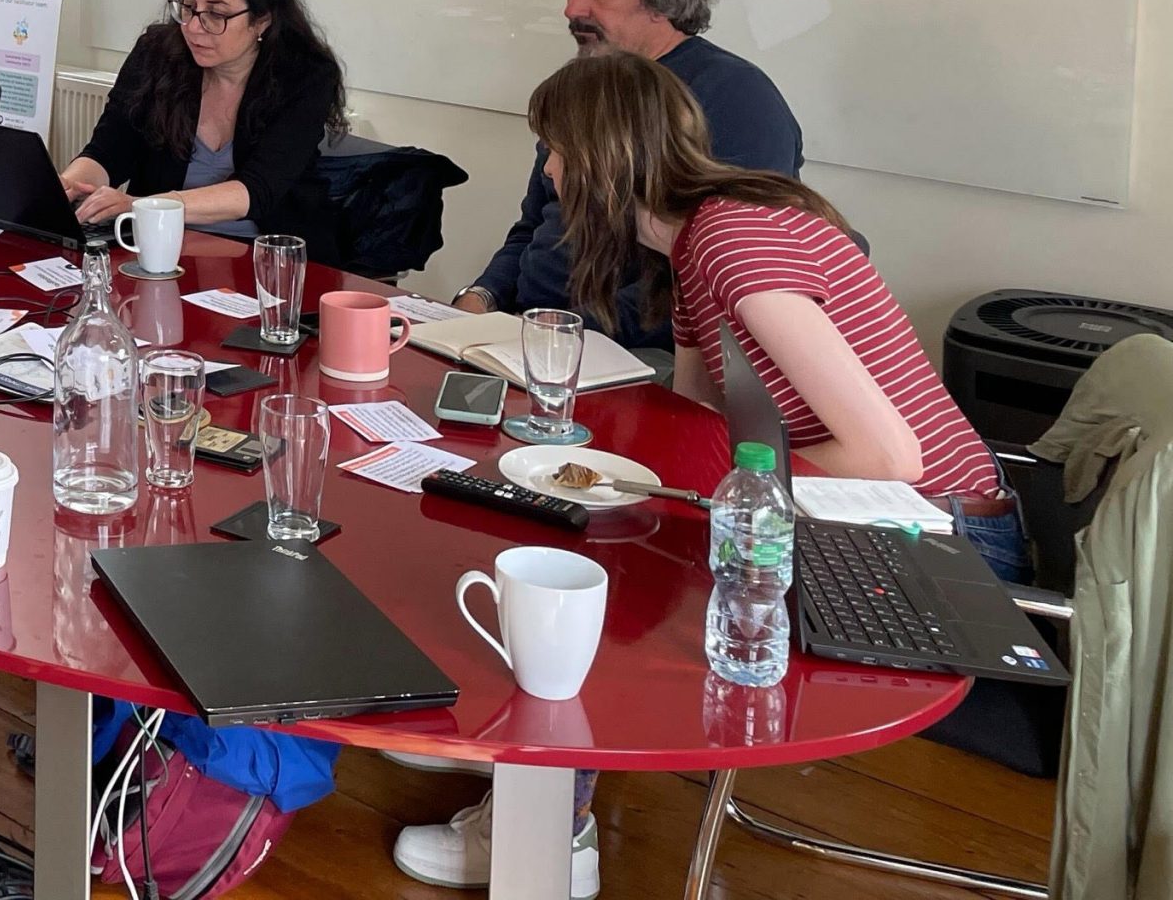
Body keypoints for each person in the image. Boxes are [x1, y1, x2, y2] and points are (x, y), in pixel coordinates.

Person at [394, 50, 1017, 896]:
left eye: (558, 150)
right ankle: (519, 760)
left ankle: (547, 829)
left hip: (935, 537)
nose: (548, 171)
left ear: (607, 158)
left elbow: (890, 459)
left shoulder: (732, 238)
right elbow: (694, 422)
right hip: (882, 508)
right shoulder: (695, 243)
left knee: (622, 573)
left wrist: (685, 496)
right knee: (609, 527)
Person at [459, 0, 802, 349]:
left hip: (630, 354)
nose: (572, 9)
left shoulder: (735, 95)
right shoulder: (588, 87)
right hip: (535, 336)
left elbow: (730, 270)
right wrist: (481, 299)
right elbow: (535, 224)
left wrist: (557, 333)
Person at [56, 0, 350, 256]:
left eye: (216, 14)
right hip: (159, 250)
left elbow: (256, 191)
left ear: (262, 20)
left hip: (265, 258)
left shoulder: (305, 75)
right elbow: (109, 151)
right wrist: (67, 186)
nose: (194, 27)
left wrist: (141, 206)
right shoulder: (156, 53)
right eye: (188, 6)